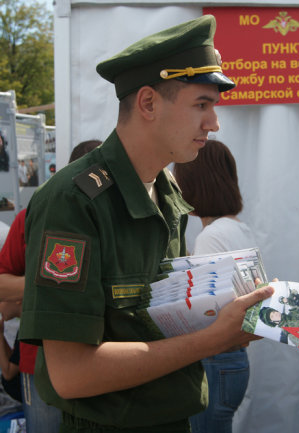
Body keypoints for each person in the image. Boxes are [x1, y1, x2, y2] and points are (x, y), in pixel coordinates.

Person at [19, 15, 273, 432]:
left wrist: (228, 313)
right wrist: (213, 339)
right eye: (202, 105)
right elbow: (72, 373)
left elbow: (157, 319)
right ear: (149, 103)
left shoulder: (165, 193)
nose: (214, 123)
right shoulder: (76, 200)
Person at [0, 140, 103, 432]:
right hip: (41, 362)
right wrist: (51, 285)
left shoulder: (118, 219)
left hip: (105, 358)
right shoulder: (35, 214)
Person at [173, 139, 256, 433]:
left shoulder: (210, 237)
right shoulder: (237, 229)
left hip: (215, 359)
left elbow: (204, 314)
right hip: (234, 360)